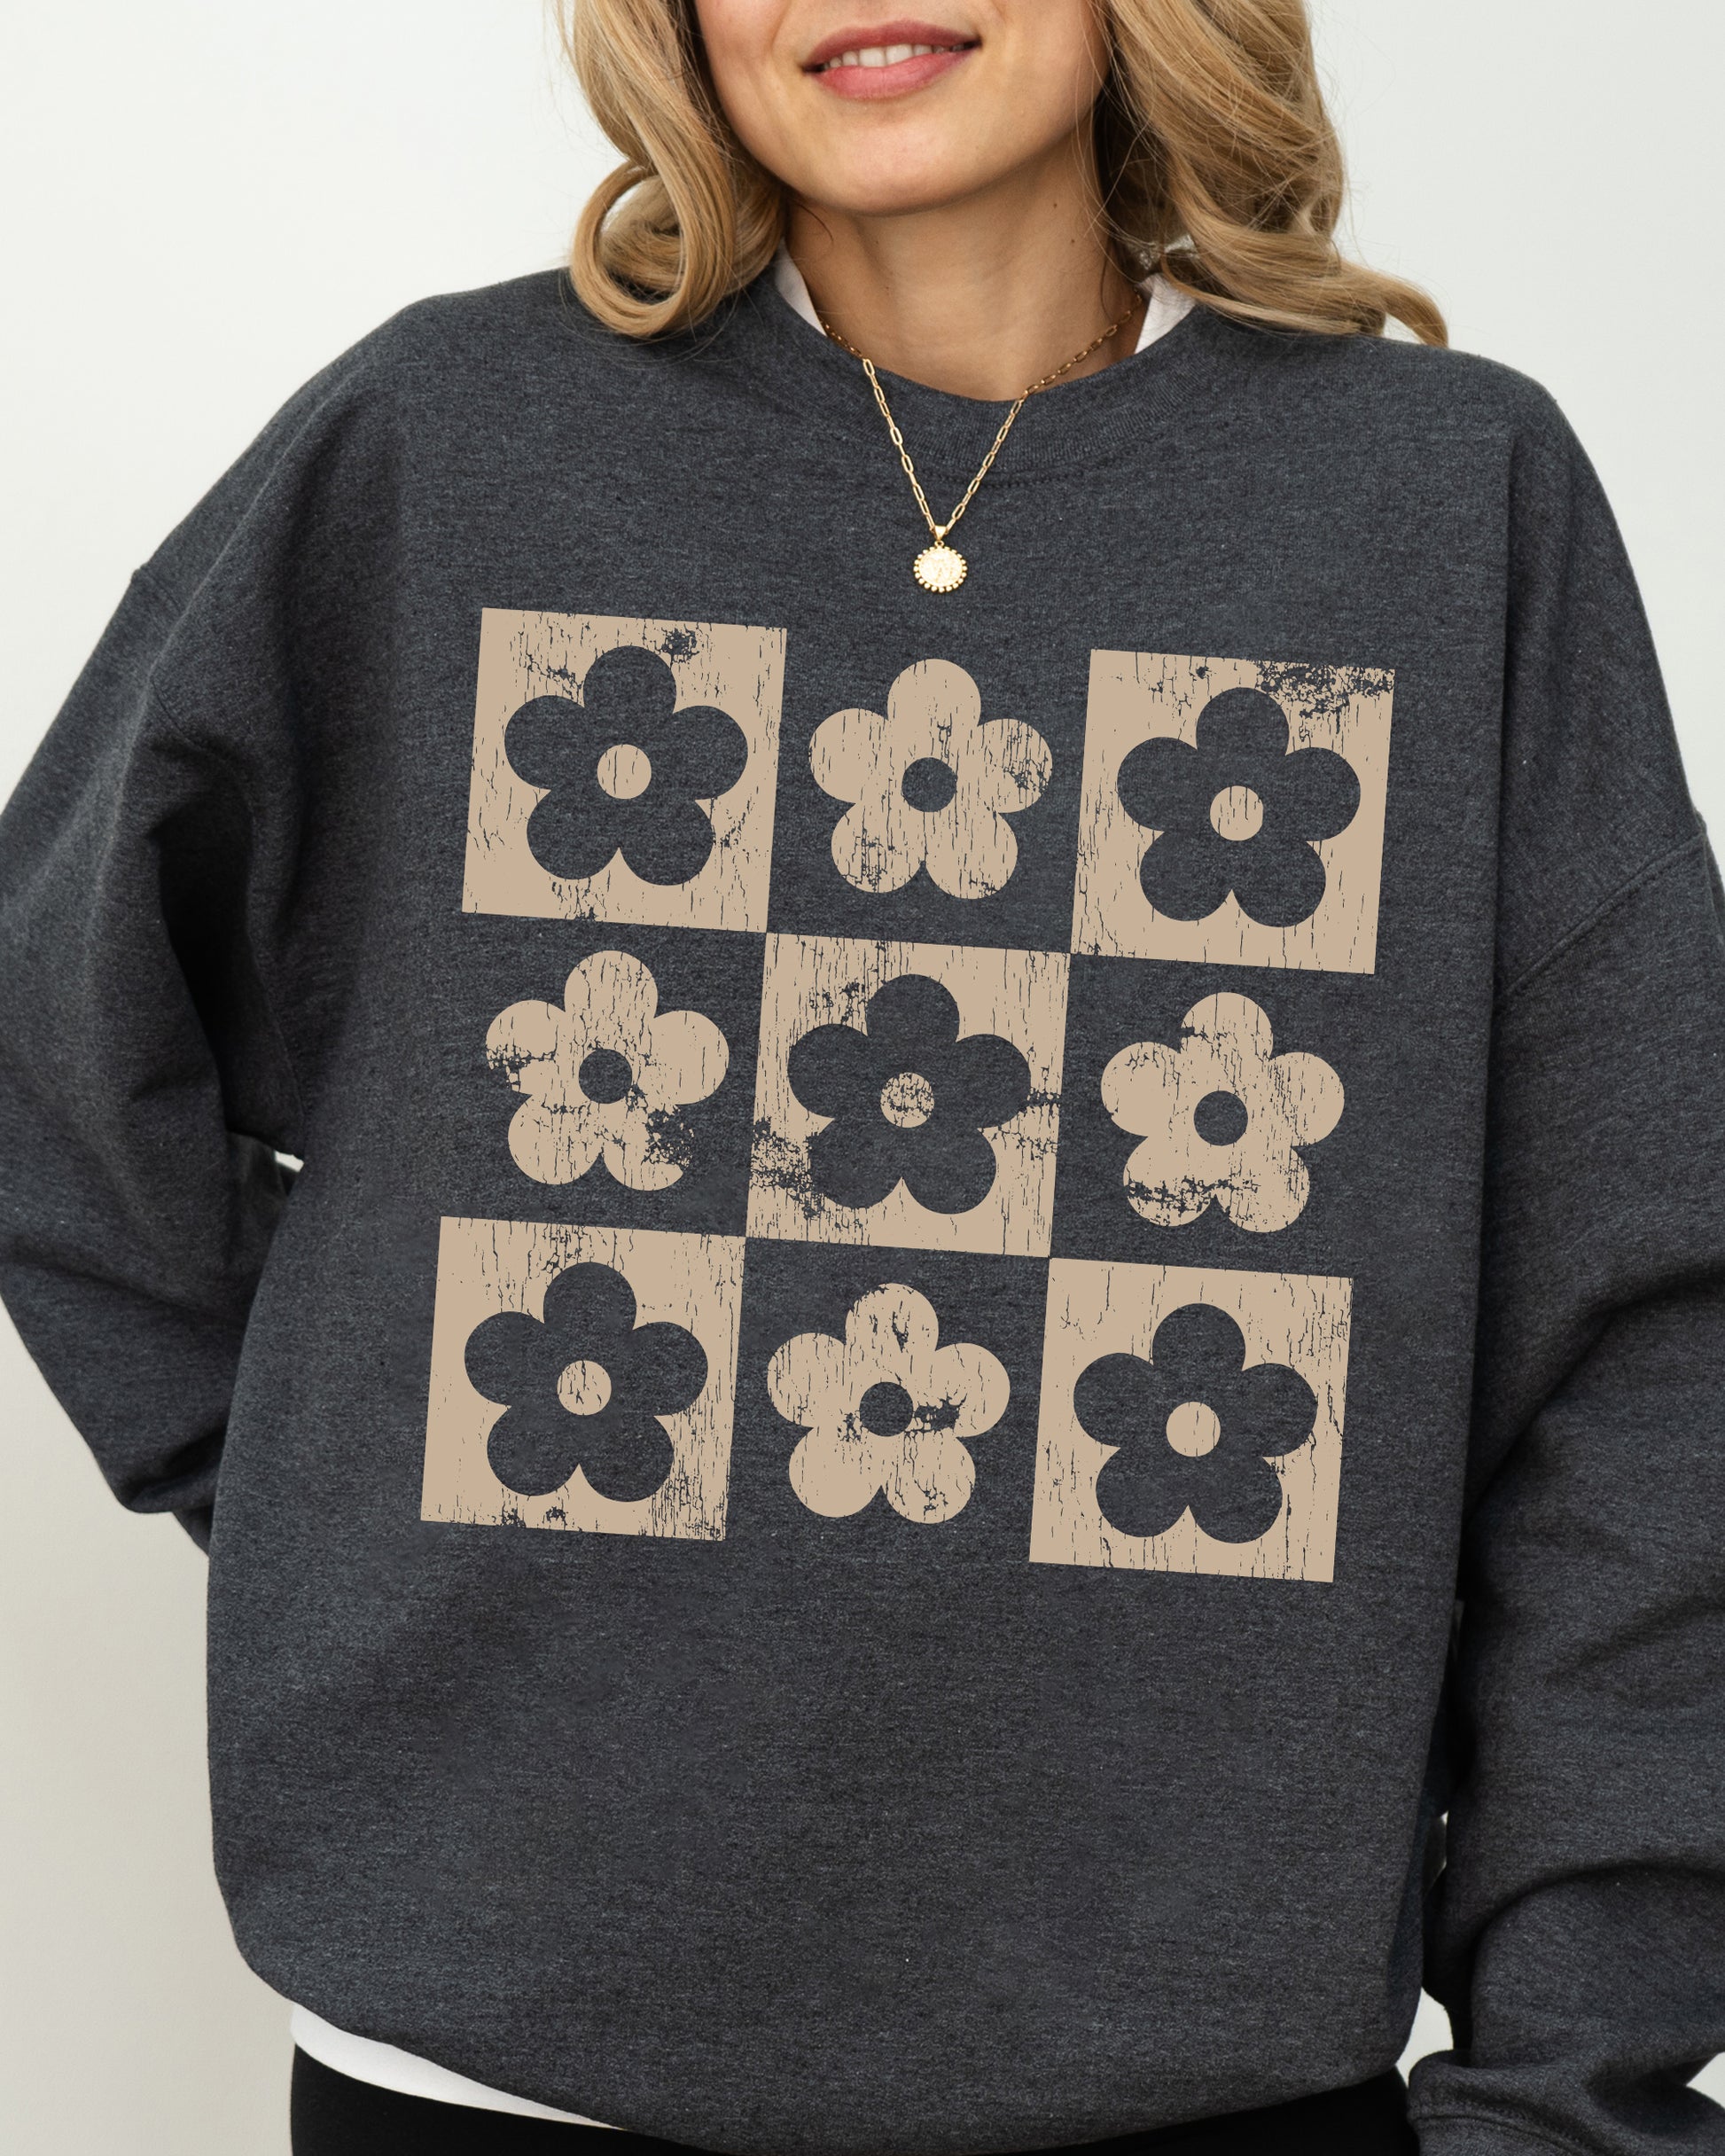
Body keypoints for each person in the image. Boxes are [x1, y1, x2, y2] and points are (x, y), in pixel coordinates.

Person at [3, 1, 1722, 2151]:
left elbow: (1651, 1346)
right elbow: (49, 1036)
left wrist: (1575, 2080)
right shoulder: (451, 441)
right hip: (484, 2070)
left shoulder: (1442, 498)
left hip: (1210, 2082)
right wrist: (302, 1500)